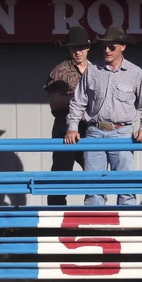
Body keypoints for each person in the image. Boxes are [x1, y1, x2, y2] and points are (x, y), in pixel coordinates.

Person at [65, 25, 142, 206]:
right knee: (93, 186)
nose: (107, 50)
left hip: (123, 134)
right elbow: (78, 102)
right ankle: (94, 228)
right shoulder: (92, 71)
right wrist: (72, 127)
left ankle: (127, 229)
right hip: (94, 133)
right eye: (104, 46)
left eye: (112, 47)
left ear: (123, 47)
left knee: (126, 185)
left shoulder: (135, 73)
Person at [44, 26, 90, 205]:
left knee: (94, 172)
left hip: (89, 128)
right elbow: (55, 103)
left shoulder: (96, 71)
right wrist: (80, 101)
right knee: (61, 172)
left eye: (80, 47)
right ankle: (56, 215)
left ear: (87, 48)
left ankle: (95, 213)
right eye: (73, 48)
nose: (77, 51)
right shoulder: (59, 71)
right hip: (65, 126)